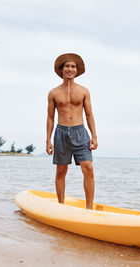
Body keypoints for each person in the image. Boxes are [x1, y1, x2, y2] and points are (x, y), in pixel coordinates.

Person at [46, 53, 98, 210]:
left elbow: (89, 114)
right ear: (62, 70)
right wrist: (48, 140)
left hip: (80, 132)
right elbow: (50, 118)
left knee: (88, 167)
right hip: (61, 132)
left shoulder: (83, 91)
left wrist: (94, 135)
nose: (70, 69)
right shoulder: (53, 93)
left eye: (73, 66)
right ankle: (61, 206)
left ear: (77, 70)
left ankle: (89, 208)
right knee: (61, 170)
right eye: (67, 66)